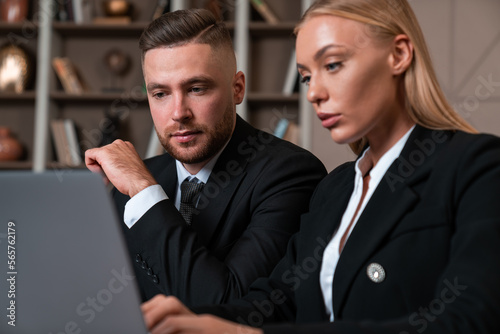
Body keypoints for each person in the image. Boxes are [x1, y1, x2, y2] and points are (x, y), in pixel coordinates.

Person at [138, 0, 500, 333]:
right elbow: (279, 300)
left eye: (332, 65)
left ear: (399, 54)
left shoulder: (478, 167)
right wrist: (191, 321)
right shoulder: (337, 188)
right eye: (307, 76)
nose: (314, 93)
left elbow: (469, 321)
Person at [84, 9, 327, 306]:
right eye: (160, 93)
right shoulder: (134, 183)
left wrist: (147, 194)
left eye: (196, 89)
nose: (178, 113)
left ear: (237, 88)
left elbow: (227, 306)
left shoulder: (291, 174)